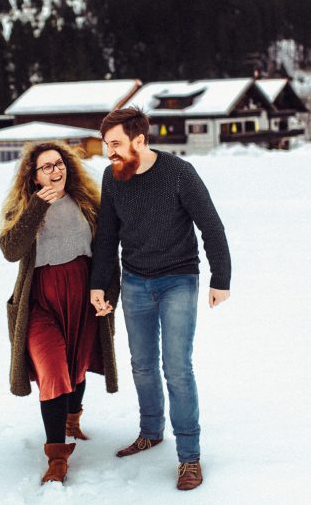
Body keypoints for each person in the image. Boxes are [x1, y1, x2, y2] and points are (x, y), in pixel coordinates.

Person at [89, 107, 231, 491]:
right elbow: (107, 235)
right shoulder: (113, 177)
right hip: (136, 280)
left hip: (178, 279)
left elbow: (211, 225)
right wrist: (99, 283)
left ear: (139, 140)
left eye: (115, 144)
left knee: (177, 368)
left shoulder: (179, 173)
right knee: (142, 364)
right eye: (106, 145)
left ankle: (189, 457)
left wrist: (221, 277)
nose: (109, 152)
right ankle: (150, 431)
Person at [0, 141, 120, 484]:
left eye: (59, 164)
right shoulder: (24, 208)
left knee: (77, 364)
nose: (56, 171)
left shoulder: (87, 204)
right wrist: (36, 207)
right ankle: (57, 457)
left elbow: (107, 253)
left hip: (83, 293)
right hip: (41, 302)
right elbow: (11, 250)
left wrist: (108, 295)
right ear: (34, 177)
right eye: (47, 167)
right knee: (52, 368)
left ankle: (71, 420)